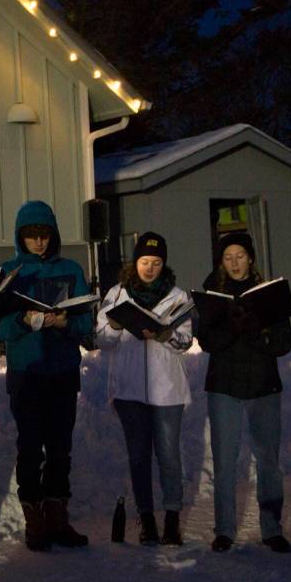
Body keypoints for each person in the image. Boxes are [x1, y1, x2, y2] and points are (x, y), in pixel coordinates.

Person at [0, 200, 93, 551]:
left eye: (44, 234)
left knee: (61, 448)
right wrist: (22, 320)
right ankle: (35, 521)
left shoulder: (71, 269)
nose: (38, 242)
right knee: (30, 448)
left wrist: (66, 323)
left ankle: (57, 518)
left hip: (63, 372)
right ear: (20, 236)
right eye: (31, 235)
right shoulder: (9, 273)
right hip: (27, 373)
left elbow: (86, 321)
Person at [197, 232, 291, 554]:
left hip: (263, 384)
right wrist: (232, 328)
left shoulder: (268, 293)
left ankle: (272, 528)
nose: (235, 262)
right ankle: (224, 529)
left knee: (267, 460)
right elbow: (207, 341)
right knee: (224, 461)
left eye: (240, 256)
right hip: (225, 386)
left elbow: (283, 342)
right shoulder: (213, 294)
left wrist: (256, 333)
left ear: (250, 258)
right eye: (228, 257)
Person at [95, 232, 193, 546]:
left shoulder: (177, 296)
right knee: (138, 456)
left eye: (156, 262)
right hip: (129, 390)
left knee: (168, 456)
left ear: (164, 264)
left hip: (167, 391)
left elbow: (185, 340)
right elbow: (102, 340)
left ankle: (172, 519)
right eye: (144, 262)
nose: (150, 268)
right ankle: (146, 520)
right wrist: (115, 325)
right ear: (135, 262)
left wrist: (166, 336)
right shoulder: (117, 294)